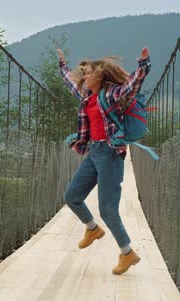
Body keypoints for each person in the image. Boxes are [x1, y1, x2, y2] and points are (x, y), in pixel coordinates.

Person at [56, 47, 151, 275]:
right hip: (94, 153)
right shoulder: (87, 97)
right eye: (83, 74)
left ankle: (127, 253)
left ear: (100, 75)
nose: (84, 77)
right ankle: (92, 229)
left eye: (88, 74)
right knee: (72, 197)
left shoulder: (111, 95)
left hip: (110, 155)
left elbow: (132, 86)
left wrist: (143, 65)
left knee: (108, 210)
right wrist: (62, 66)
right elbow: (71, 83)